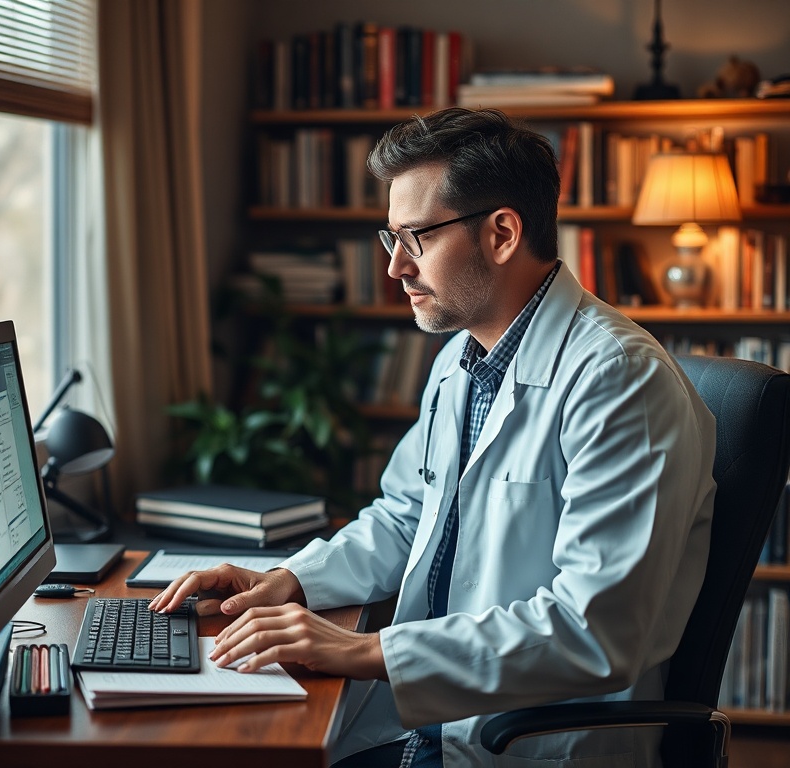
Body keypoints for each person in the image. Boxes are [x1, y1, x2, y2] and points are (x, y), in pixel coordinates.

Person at [150, 108, 716, 767]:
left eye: (415, 238)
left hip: (530, 746)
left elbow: (596, 631)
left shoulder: (622, 383)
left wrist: (366, 651)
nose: (395, 269)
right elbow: (404, 517)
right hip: (439, 727)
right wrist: (288, 580)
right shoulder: (462, 357)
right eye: (391, 239)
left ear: (502, 233)